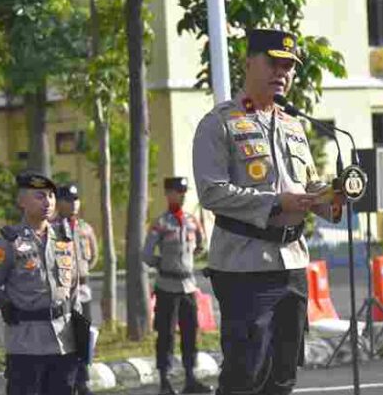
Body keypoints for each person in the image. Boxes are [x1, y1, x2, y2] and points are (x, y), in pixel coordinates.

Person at [192, 28, 343, 395]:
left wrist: (332, 198)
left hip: (292, 264)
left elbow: (305, 187)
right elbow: (212, 194)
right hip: (245, 266)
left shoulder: (293, 126)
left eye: (289, 66)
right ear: (248, 63)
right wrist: (275, 203)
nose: (282, 73)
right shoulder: (220, 123)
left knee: (283, 374)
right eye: (273, 63)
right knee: (246, 373)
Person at [0, 171, 81, 395]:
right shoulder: (8, 243)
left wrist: (80, 333)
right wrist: (12, 305)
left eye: (51, 196)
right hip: (26, 344)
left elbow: (74, 290)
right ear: (22, 201)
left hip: (63, 343)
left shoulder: (65, 241)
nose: (48, 202)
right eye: (40, 196)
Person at [143, 177, 213, 395]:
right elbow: (147, 254)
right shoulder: (161, 223)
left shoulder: (192, 221)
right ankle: (165, 381)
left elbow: (201, 245)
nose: (182, 196)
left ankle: (190, 378)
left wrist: (187, 261)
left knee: (191, 332)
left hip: (188, 286)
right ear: (168, 194)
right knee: (165, 335)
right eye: (177, 192)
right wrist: (163, 265)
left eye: (184, 192)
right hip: (167, 286)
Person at [55, 183, 98, 395]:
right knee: (65, 339)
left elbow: (93, 257)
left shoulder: (85, 228)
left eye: (76, 199)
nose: (73, 204)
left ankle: (83, 381)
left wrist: (81, 272)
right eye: (68, 200)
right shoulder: (51, 228)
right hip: (62, 294)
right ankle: (68, 382)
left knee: (84, 338)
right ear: (59, 202)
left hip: (82, 290)